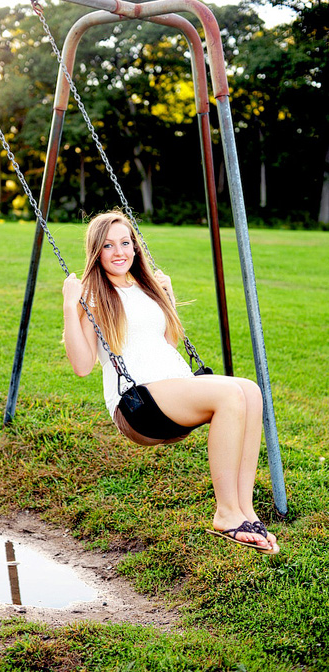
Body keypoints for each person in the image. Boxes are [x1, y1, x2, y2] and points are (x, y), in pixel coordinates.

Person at [61, 210, 279, 554]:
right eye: (108, 246)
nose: (120, 252)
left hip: (169, 387)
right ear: (96, 253)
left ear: (135, 246)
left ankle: (245, 511)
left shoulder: (146, 285)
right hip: (139, 404)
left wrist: (168, 296)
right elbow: (82, 366)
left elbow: (168, 343)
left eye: (125, 242)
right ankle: (225, 513)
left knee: (250, 391)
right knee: (230, 396)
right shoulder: (94, 296)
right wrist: (68, 304)